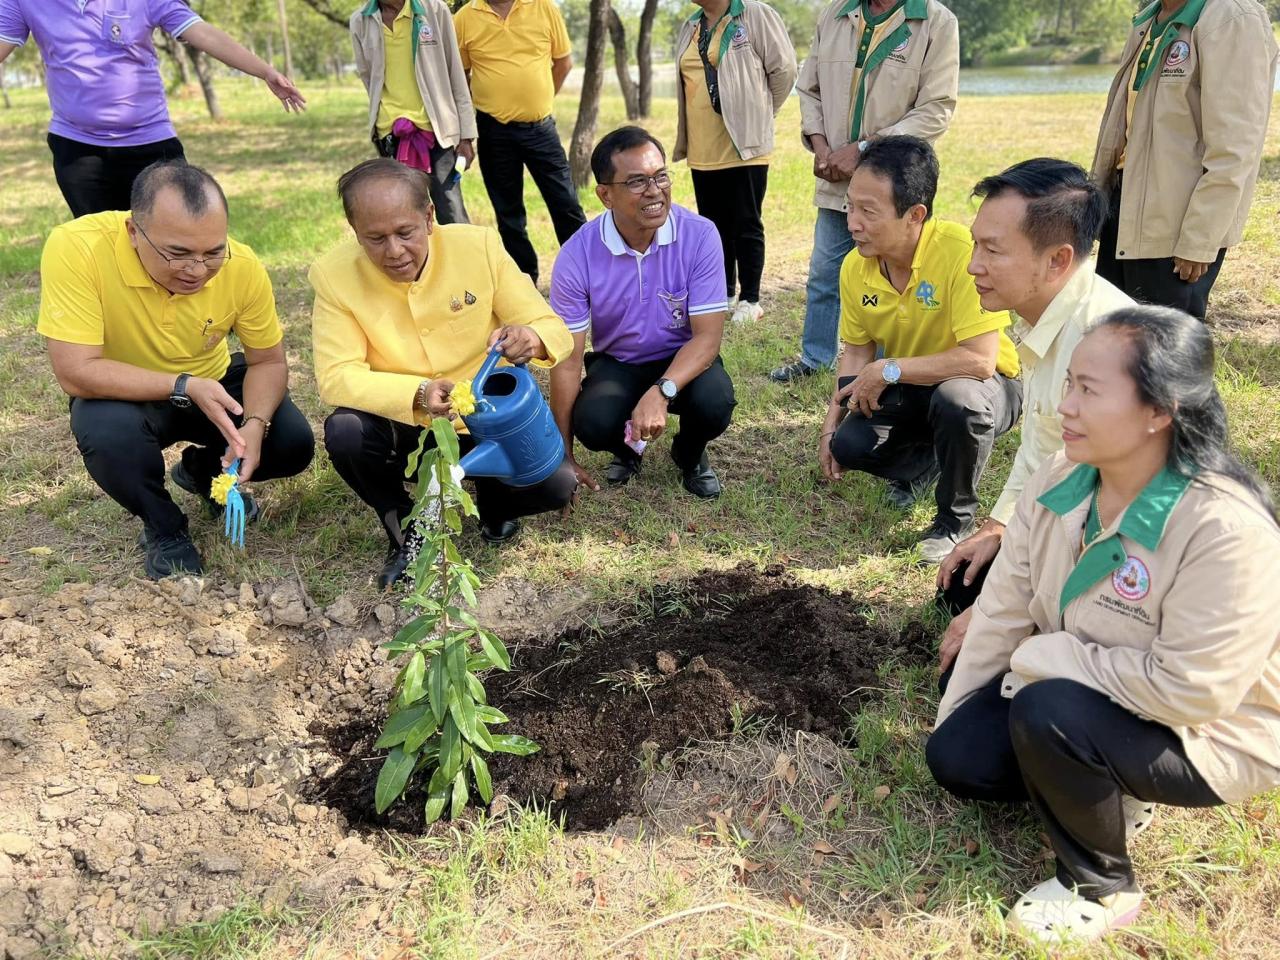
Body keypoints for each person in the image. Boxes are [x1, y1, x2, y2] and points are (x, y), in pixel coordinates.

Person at [927, 306, 1280, 945]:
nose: (1066, 406)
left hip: (1207, 730)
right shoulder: (1062, 476)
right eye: (1068, 384)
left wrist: (1051, 658)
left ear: (1159, 411)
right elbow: (1004, 606)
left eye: (1089, 390)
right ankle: (1102, 779)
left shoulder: (1225, 532)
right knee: (958, 757)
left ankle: (1099, 885)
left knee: (1049, 713)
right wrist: (954, 712)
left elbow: (1192, 691)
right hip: (1099, 685)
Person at [36, 161, 315, 579]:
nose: (197, 270)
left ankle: (201, 471)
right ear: (134, 232)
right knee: (107, 435)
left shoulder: (242, 265)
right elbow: (75, 371)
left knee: (291, 443)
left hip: (211, 383)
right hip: (124, 394)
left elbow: (268, 361)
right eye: (178, 254)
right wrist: (182, 385)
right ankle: (164, 528)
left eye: (213, 252)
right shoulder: (78, 248)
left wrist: (255, 426)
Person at [311, 159, 577, 589]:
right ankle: (405, 529)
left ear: (430, 216)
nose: (394, 251)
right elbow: (336, 375)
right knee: (346, 432)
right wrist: (418, 392)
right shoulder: (333, 276)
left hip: (486, 423)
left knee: (556, 486)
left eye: (405, 232)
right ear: (354, 231)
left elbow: (551, 327)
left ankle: (493, 503)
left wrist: (531, 337)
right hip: (410, 428)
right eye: (375, 239)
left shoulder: (478, 247)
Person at [935, 158, 1134, 670]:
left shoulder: (1102, 346)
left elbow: (1100, 512)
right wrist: (998, 527)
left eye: (993, 250)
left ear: (1057, 261)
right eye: (975, 245)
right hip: (1064, 524)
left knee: (974, 668)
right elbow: (1041, 453)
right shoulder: (1045, 316)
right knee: (961, 586)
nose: (973, 265)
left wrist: (1004, 608)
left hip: (1119, 562)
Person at [817, 136, 1021, 564]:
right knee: (850, 445)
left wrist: (889, 369)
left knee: (958, 401)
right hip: (912, 382)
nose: (853, 222)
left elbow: (980, 360)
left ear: (915, 214)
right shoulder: (856, 265)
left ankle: (953, 522)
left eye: (868, 211)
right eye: (850, 207)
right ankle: (928, 462)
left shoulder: (960, 253)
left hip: (986, 383)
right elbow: (856, 353)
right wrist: (831, 425)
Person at [771, 0, 958, 382]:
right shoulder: (835, 14)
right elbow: (809, 89)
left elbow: (936, 109)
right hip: (836, 174)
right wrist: (821, 145)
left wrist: (866, 149)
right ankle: (815, 358)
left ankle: (893, 367)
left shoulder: (936, 22)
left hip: (893, 182)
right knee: (824, 273)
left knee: (898, 275)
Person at [549, 127, 735, 500]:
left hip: (683, 358)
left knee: (715, 402)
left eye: (660, 176)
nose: (654, 191)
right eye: (637, 181)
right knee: (594, 422)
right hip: (619, 362)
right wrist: (563, 456)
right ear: (605, 195)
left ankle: (689, 454)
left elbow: (707, 338)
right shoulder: (577, 254)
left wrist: (661, 392)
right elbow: (567, 363)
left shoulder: (700, 235)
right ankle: (629, 449)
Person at [0, 1, 305, 218]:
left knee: (174, 233)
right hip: (78, 148)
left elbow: (203, 33)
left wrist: (265, 71)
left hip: (150, 144)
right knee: (101, 244)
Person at [1091, 0, 1278, 321]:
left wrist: (1200, 238)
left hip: (1176, 221)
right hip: (1125, 205)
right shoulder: (1149, 18)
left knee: (1163, 343)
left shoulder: (1231, 18)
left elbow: (1234, 148)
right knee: (1114, 334)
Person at [672, 0, 797, 326]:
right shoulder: (691, 25)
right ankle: (724, 293)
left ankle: (750, 299)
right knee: (713, 227)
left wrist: (760, 113)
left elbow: (784, 71)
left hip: (744, 146)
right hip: (702, 147)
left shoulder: (755, 15)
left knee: (746, 223)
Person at [453, 0, 587, 285]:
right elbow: (460, 75)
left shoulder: (544, 7)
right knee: (508, 212)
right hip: (493, 131)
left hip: (540, 129)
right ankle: (525, 281)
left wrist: (540, 100)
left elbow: (563, 63)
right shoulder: (464, 17)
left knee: (565, 202)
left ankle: (586, 275)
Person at [350, 0, 477, 226]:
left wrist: (466, 136)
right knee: (406, 215)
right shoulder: (360, 21)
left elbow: (455, 72)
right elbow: (369, 78)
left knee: (451, 212)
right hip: (392, 134)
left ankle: (461, 251)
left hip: (438, 131)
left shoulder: (434, 10)